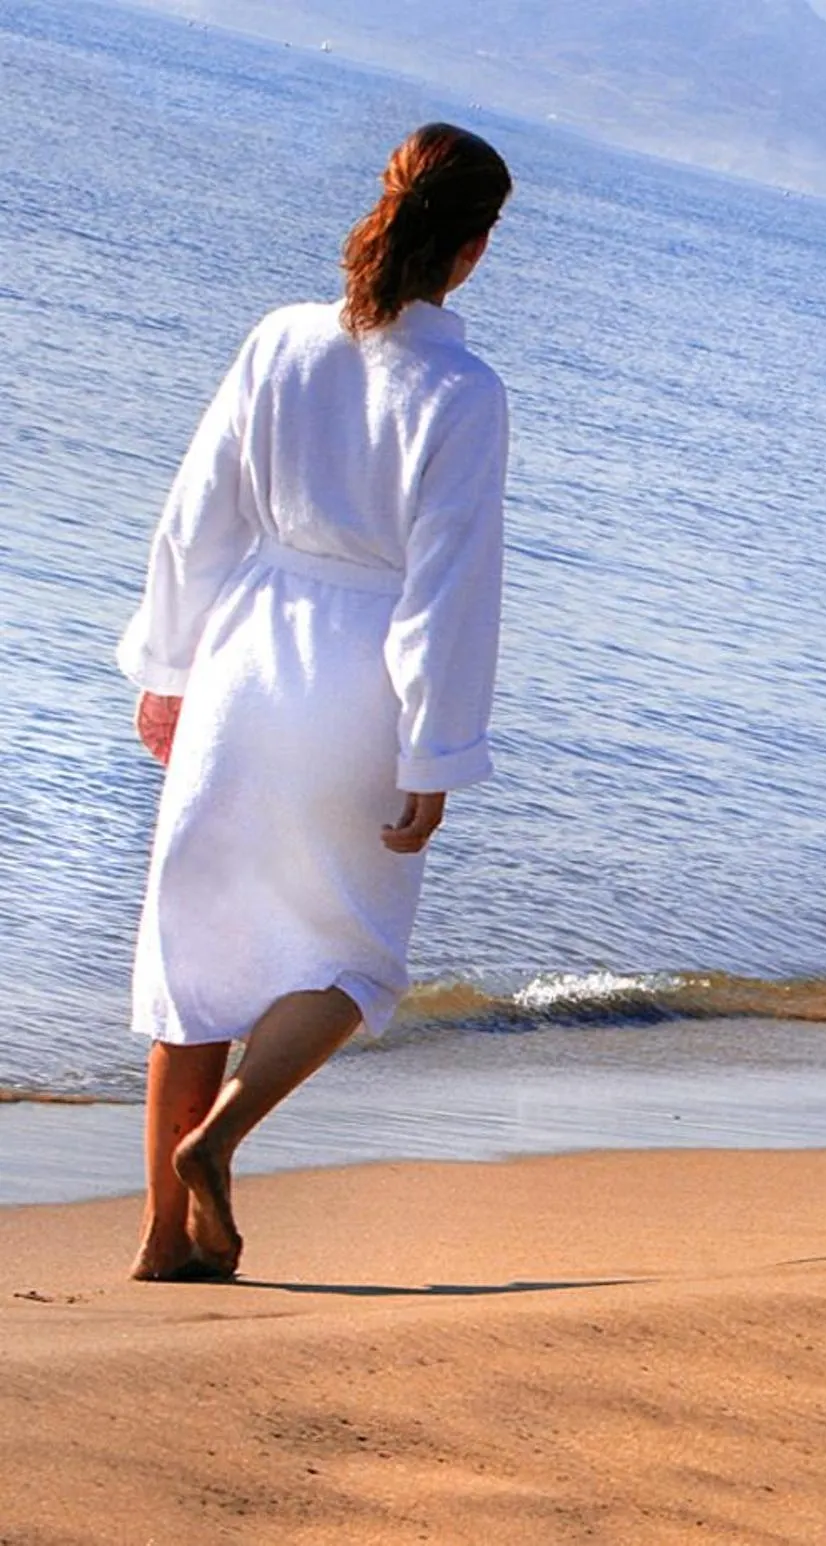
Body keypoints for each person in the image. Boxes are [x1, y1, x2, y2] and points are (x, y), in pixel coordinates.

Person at [117, 124, 514, 1282]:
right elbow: (449, 581)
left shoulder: (281, 339)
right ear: (476, 250)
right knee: (358, 959)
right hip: (358, 688)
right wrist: (436, 748)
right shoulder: (463, 390)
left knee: (193, 962)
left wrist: (169, 668)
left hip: (243, 661)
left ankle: (160, 1244)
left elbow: (199, 516)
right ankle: (220, 1140)